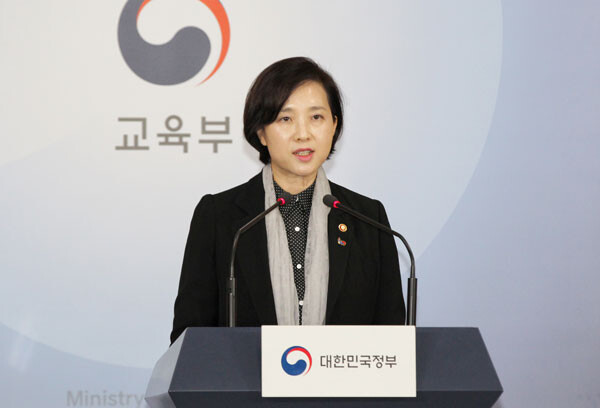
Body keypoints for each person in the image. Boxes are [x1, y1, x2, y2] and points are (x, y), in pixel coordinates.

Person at [170, 57, 405, 344]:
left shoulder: (368, 219)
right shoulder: (219, 217)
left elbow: (393, 344)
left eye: (316, 117)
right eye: (285, 119)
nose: (303, 134)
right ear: (261, 132)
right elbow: (188, 341)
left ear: (334, 125)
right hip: (246, 376)